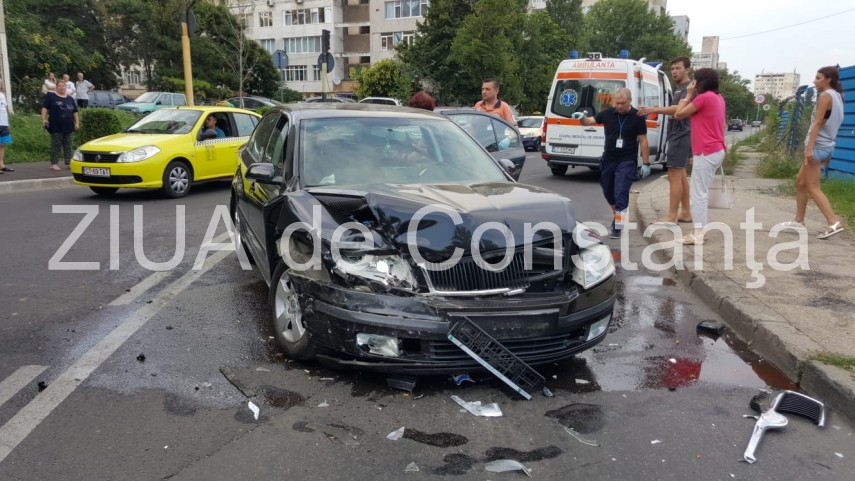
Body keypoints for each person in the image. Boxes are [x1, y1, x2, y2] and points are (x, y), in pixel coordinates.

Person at [780, 66, 846, 239]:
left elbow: (817, 124)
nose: (814, 81)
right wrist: (827, 151)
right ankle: (799, 220)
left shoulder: (825, 96)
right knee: (800, 183)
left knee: (812, 187)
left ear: (828, 79)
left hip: (817, 147)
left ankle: (833, 222)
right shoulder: (838, 96)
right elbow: (832, 123)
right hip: (826, 145)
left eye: (818, 78)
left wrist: (808, 149)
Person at [577, 88, 650, 239]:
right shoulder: (608, 114)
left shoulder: (638, 117)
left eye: (622, 103)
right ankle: (618, 214)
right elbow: (589, 121)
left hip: (627, 161)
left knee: (621, 192)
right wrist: (581, 118)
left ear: (630, 101)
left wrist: (646, 163)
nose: (619, 106)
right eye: (617, 103)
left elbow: (643, 140)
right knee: (608, 192)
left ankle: (617, 224)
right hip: (608, 159)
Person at [673, 68, 727, 245]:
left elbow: (678, 114)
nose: (692, 84)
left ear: (699, 82)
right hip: (716, 149)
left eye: (694, 81)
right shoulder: (718, 98)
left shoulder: (703, 98)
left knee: (698, 194)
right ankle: (700, 230)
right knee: (700, 192)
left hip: (707, 150)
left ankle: (698, 234)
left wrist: (688, 95)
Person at [638, 56, 693, 225]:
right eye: (673, 68)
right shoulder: (680, 89)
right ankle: (685, 212)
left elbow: (679, 109)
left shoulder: (688, 89)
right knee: (681, 175)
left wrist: (654, 109)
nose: (674, 71)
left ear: (687, 69)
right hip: (679, 134)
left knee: (673, 175)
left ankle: (671, 216)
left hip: (681, 134)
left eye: (678, 68)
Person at [41, 80, 79, 171]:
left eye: (63, 86)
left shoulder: (70, 99)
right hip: (56, 125)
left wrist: (77, 122)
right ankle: (54, 163)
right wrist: (43, 119)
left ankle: (69, 162)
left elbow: (75, 112)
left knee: (68, 145)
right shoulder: (51, 97)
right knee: (56, 144)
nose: (62, 87)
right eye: (60, 86)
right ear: (56, 87)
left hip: (68, 125)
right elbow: (44, 108)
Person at [0, 84, 14, 174]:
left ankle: (1, 164)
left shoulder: (2, 95)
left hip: (3, 123)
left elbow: (4, 109)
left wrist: (7, 123)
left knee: (2, 145)